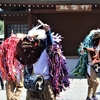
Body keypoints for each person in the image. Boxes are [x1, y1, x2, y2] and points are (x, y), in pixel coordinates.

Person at [15, 20, 70, 100]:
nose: (33, 41)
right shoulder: (31, 53)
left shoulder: (46, 50)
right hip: (33, 81)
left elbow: (50, 44)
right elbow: (22, 45)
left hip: (45, 81)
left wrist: (48, 32)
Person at [73, 29, 100, 100]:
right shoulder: (88, 45)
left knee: (91, 83)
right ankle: (93, 95)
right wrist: (83, 49)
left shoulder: (97, 46)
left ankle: (88, 97)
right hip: (90, 65)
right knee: (96, 82)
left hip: (96, 66)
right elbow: (82, 52)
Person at [0, 32, 25, 100]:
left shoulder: (5, 47)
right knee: (20, 87)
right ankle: (14, 98)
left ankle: (12, 98)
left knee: (9, 90)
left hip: (9, 72)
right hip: (18, 72)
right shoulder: (19, 47)